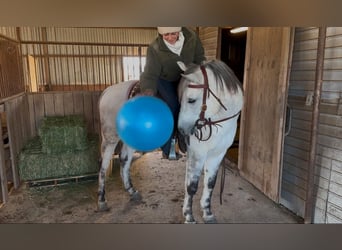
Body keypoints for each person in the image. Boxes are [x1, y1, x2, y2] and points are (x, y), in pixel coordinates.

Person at [140, 27, 206, 160]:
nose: (170, 38)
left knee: (194, 102)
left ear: (179, 30)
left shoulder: (192, 38)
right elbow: (150, 73)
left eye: (173, 34)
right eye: (166, 35)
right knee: (173, 106)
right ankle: (166, 147)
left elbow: (200, 58)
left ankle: (184, 140)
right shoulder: (154, 48)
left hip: (186, 76)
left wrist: (202, 74)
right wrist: (148, 92)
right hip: (165, 79)